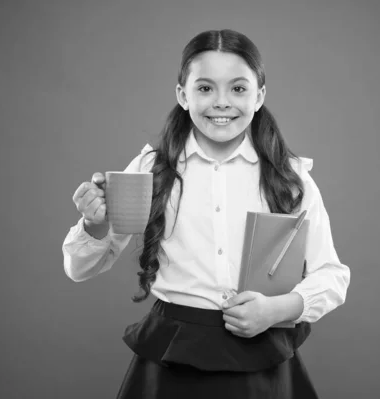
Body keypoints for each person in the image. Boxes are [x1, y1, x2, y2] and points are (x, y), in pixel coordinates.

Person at [62, 29, 350, 399]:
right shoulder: (149, 170)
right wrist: (95, 223)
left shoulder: (288, 177)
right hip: (172, 355)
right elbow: (80, 269)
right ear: (182, 95)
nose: (221, 102)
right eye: (204, 88)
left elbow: (332, 275)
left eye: (238, 88)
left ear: (260, 95)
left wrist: (277, 309)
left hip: (261, 356)